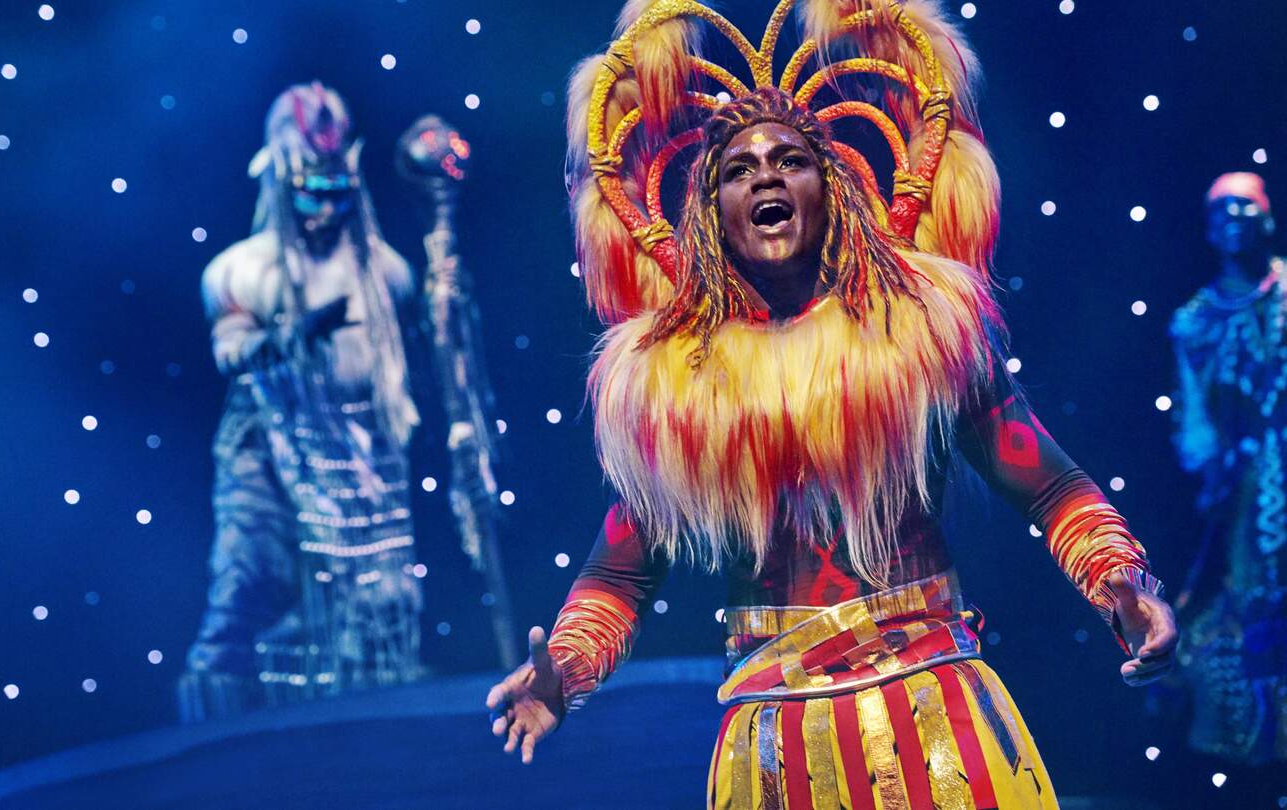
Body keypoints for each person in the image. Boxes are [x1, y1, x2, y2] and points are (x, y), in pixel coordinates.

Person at [486, 1, 1178, 806]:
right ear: (712, 216)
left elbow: (1051, 486)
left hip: (935, 715)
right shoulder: (675, 390)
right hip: (774, 741)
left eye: (790, 160)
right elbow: (621, 571)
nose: (767, 177)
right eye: (739, 170)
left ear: (834, 187)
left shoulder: (919, 333)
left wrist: (1121, 583)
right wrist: (564, 673)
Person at [177, 82, 426, 720]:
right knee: (252, 575)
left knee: (375, 603)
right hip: (267, 441)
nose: (321, 210)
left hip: (358, 451)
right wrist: (286, 339)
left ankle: (366, 732)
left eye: (333, 192)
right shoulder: (244, 271)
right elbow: (229, 350)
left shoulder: (383, 272)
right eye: (308, 192)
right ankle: (218, 736)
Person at [1170, 171, 1287, 765]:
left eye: (1247, 205)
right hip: (1247, 491)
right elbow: (1194, 431)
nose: (1235, 218)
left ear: (1268, 214)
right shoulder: (1194, 320)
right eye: (1223, 209)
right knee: (1253, 606)